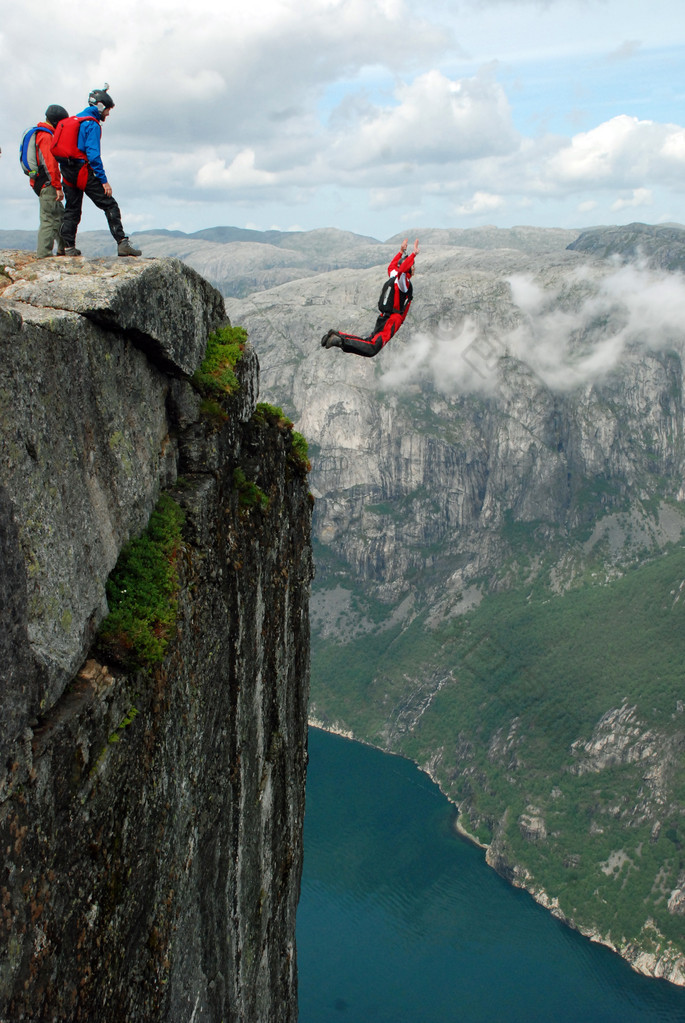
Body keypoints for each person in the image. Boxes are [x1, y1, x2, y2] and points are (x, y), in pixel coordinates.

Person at [54, 85, 141, 257]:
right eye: (107, 110)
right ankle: (122, 243)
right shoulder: (91, 124)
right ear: (100, 107)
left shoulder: (74, 120)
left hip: (67, 170)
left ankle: (68, 247)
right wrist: (103, 181)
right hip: (82, 170)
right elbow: (93, 155)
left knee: (72, 208)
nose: (108, 114)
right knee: (110, 204)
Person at [321, 238, 419, 357]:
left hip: (384, 317)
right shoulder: (403, 282)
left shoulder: (394, 276)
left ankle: (338, 336)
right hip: (392, 319)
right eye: (413, 267)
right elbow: (402, 270)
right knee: (372, 348)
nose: (414, 269)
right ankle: (340, 340)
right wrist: (413, 254)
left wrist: (400, 252)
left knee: (369, 342)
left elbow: (391, 267)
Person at [28, 105, 69, 258]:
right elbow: (50, 164)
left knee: (59, 214)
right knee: (49, 219)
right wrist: (57, 186)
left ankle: (62, 249)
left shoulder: (41, 133)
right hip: (48, 183)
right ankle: (44, 255)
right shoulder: (46, 136)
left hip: (41, 182)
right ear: (57, 122)